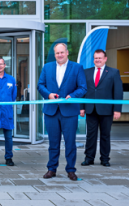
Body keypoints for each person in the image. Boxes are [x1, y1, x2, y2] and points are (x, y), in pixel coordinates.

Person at [38, 43, 87, 181]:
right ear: (55, 54)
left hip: (69, 111)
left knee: (70, 142)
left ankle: (71, 170)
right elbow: (40, 85)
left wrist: (72, 96)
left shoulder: (77, 68)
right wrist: (48, 95)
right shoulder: (47, 67)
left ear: (67, 52)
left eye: (62, 52)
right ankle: (51, 169)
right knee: (53, 143)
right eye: (57, 53)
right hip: (51, 111)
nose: (59, 55)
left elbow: (83, 87)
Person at [80, 49, 123, 167]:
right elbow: (83, 91)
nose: (97, 60)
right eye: (95, 58)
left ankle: (105, 159)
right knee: (90, 135)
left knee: (105, 135)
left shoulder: (113, 72)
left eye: (100, 58)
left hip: (107, 110)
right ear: (93, 59)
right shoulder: (86, 72)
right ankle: (89, 158)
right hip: (90, 109)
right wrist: (81, 107)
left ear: (105, 59)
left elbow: (118, 92)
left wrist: (117, 109)